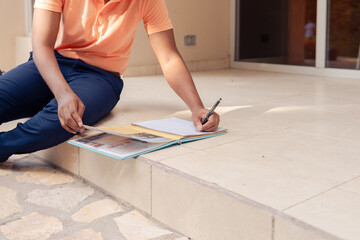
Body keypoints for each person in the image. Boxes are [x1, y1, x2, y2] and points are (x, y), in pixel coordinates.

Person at [0, 0, 220, 162]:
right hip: (50, 61)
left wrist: (196, 107)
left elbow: (169, 57)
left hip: (100, 77)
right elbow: (42, 46)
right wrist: (62, 93)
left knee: (64, 121)